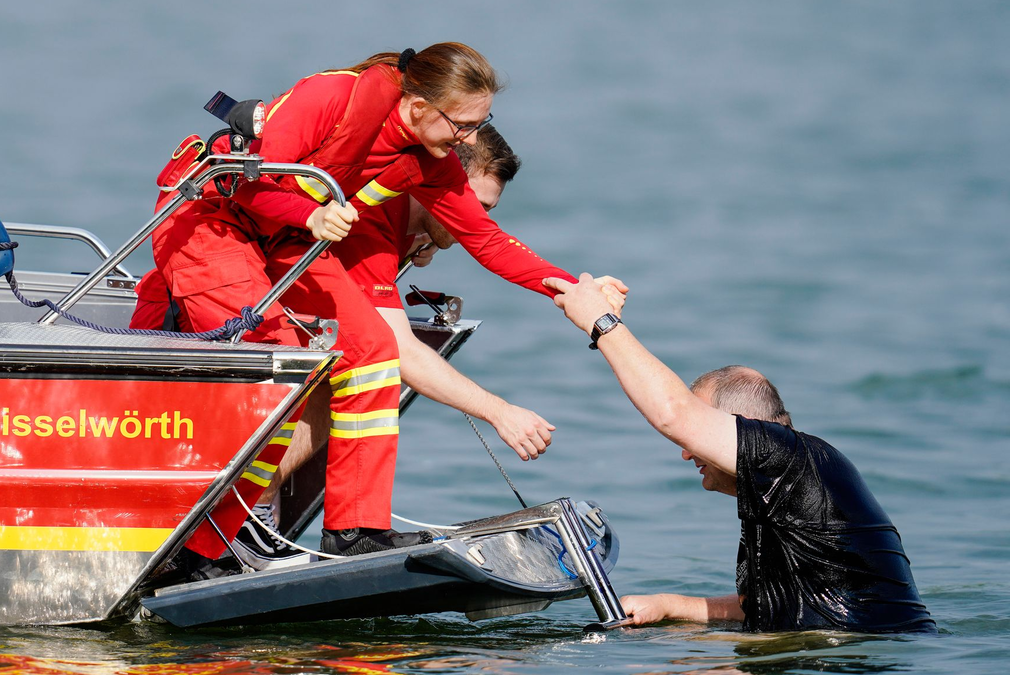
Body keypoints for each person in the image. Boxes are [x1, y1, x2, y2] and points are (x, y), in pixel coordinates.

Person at [135, 43, 613, 558]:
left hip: (292, 236)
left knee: (374, 355)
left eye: (480, 123)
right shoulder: (333, 95)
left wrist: (574, 289)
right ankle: (202, 546)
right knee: (279, 362)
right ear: (419, 108)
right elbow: (241, 178)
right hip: (214, 218)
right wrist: (309, 217)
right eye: (464, 125)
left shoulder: (434, 163)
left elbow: (491, 243)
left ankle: (355, 530)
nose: (469, 139)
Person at [542, 273, 935, 633]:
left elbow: (674, 414)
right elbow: (769, 605)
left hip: (861, 656)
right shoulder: (784, 486)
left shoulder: (791, 456)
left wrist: (600, 321)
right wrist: (667, 604)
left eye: (699, 435)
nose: (686, 452)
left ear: (744, 426)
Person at [234, 126, 558, 556]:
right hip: (238, 299)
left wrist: (420, 234)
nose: (475, 223)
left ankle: (262, 516)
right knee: (367, 364)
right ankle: (249, 517)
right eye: (473, 207)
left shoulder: (402, 221)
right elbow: (400, 350)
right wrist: (500, 413)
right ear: (437, 189)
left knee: (348, 368)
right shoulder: (369, 225)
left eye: (487, 211)